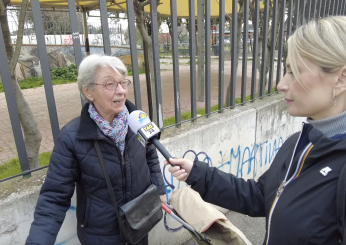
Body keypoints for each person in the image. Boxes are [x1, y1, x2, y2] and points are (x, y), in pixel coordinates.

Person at [165, 16, 346, 245]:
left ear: (341, 78)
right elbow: (260, 196)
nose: (281, 84)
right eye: (285, 70)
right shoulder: (300, 143)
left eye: (294, 71)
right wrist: (198, 174)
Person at [26, 54, 166, 245]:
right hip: (100, 235)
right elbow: (54, 197)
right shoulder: (71, 137)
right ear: (88, 91)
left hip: (139, 220)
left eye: (123, 82)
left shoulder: (137, 121)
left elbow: (150, 153)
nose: (121, 91)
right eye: (110, 84)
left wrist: (159, 189)